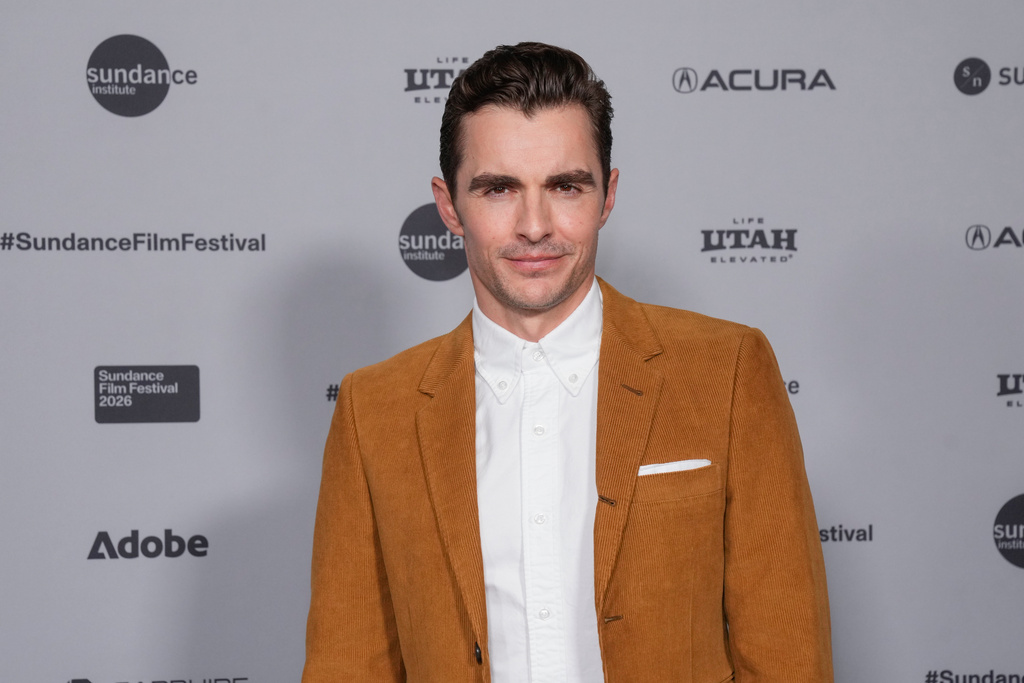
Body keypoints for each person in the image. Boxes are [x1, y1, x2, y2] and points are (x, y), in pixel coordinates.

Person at [302, 42, 832, 683]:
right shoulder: (373, 409)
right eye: (499, 189)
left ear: (607, 194)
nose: (534, 225)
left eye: (564, 186)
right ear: (449, 207)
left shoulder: (726, 370)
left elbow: (787, 658)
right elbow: (347, 665)